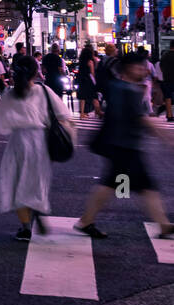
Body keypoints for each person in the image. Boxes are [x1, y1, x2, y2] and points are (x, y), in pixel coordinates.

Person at [74, 51, 174, 242]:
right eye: (139, 67)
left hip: (122, 145)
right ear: (128, 69)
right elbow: (143, 119)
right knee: (140, 186)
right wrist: (168, 138)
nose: (144, 70)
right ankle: (162, 224)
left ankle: (86, 221)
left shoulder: (122, 87)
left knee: (117, 184)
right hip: (125, 146)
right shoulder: (126, 90)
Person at [0, 58, 76, 241]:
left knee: (16, 182)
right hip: (40, 142)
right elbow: (64, 115)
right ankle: (38, 207)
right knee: (36, 180)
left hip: (19, 141)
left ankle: (25, 228)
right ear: (36, 72)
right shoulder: (44, 91)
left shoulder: (10, 94)